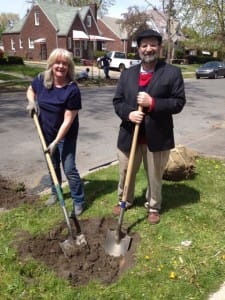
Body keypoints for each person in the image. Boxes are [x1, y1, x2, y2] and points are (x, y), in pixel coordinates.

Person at [112, 29, 186, 224]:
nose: (148, 49)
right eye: (144, 45)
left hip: (158, 137)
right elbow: (117, 101)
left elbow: (178, 103)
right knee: (126, 171)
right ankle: (124, 200)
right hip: (130, 135)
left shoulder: (172, 73)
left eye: (153, 44)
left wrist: (153, 103)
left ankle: (153, 206)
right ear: (138, 49)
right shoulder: (127, 74)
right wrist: (129, 113)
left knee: (154, 176)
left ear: (160, 47)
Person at [26, 48, 85, 216]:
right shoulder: (41, 79)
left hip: (66, 135)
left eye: (65, 63)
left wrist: (55, 142)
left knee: (69, 168)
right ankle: (55, 192)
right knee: (52, 165)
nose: (61, 66)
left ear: (69, 67)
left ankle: (78, 200)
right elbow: (31, 90)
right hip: (46, 131)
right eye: (57, 62)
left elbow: (68, 120)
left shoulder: (72, 89)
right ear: (51, 64)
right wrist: (32, 102)